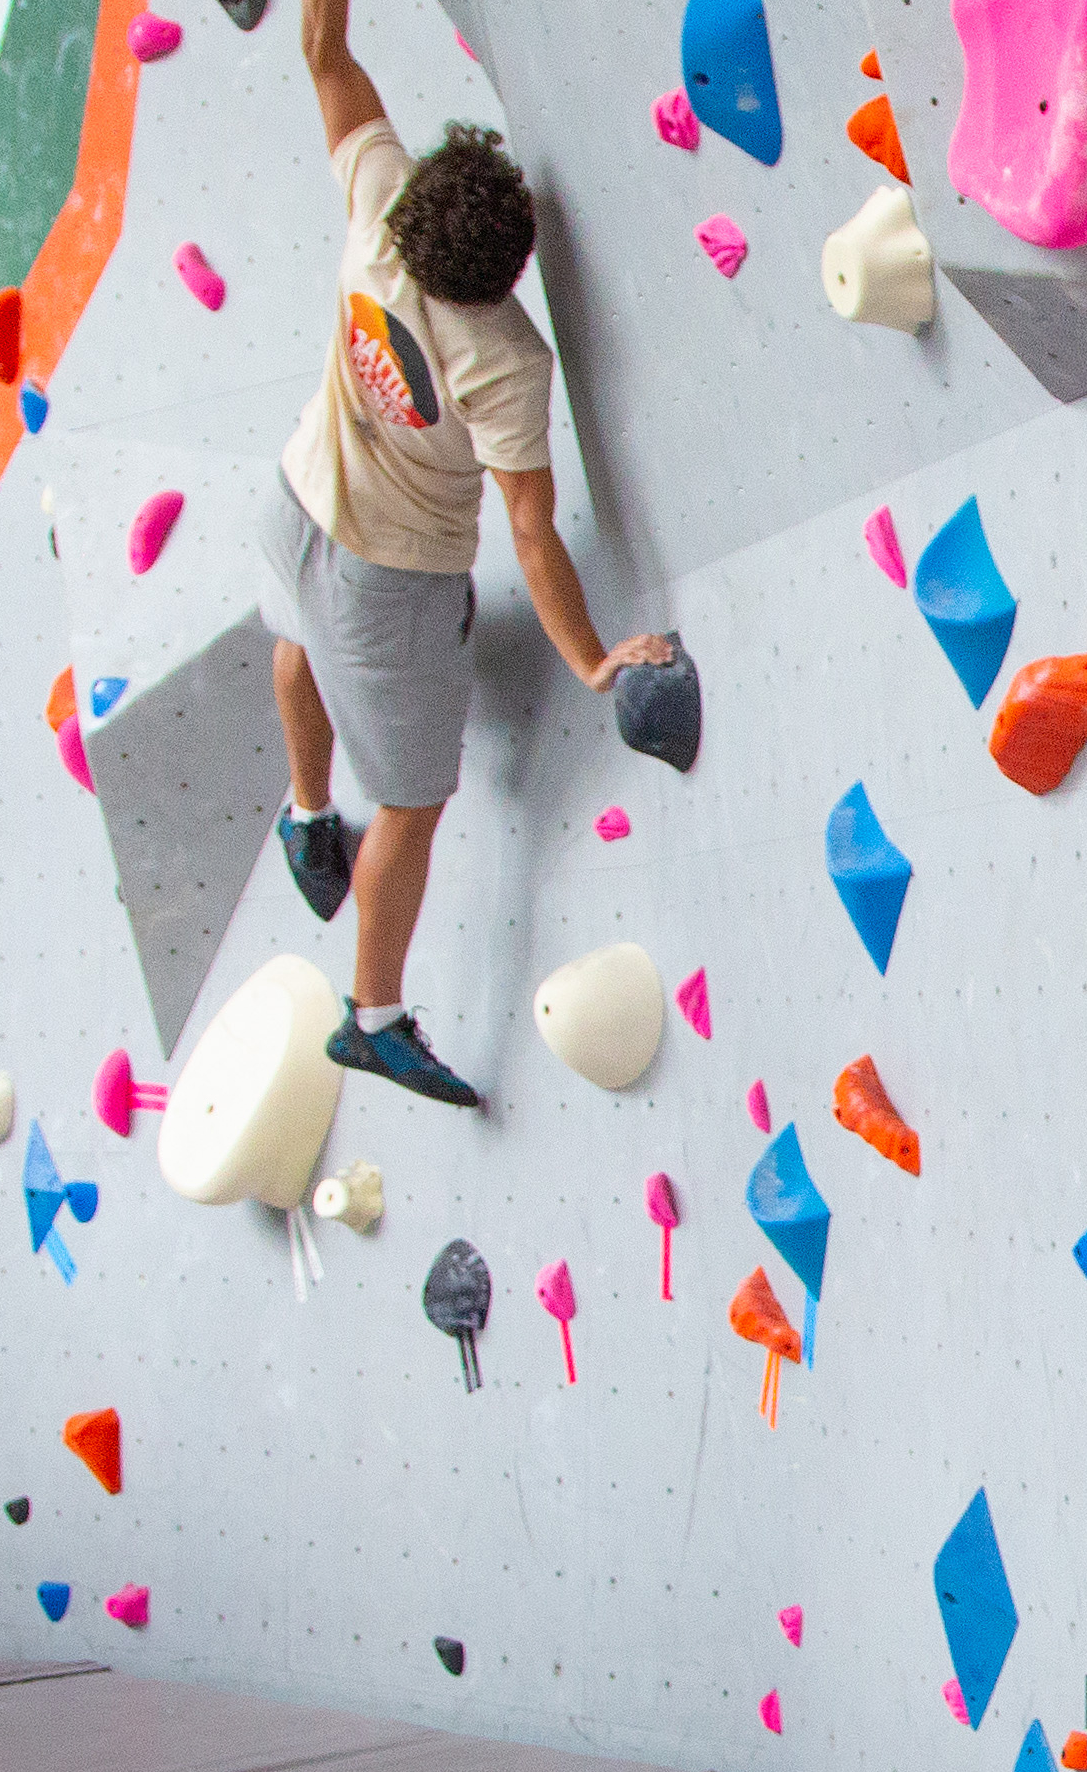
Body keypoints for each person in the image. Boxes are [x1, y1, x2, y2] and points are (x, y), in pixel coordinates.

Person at [263, 0, 674, 1106]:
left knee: (290, 637)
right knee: (410, 803)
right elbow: (532, 535)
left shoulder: (380, 206)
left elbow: (323, 53)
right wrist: (592, 661)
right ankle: (374, 1017)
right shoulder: (502, 360)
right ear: (503, 271)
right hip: (385, 582)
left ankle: (305, 814)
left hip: (293, 499)